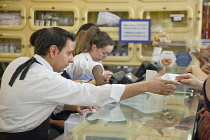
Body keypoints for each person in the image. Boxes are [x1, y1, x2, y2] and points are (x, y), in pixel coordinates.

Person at [0, 27, 180, 140]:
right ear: (53, 51)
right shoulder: (46, 78)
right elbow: (94, 94)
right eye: (69, 53)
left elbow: (34, 98)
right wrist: (146, 86)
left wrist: (71, 105)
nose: (72, 60)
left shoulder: (20, 62)